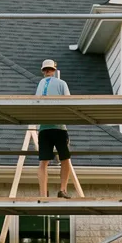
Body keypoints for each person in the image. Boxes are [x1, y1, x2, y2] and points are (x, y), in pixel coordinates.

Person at [35, 59, 76, 198]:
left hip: (44, 128)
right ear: (54, 70)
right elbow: (69, 102)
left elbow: (35, 103)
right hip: (59, 127)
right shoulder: (61, 83)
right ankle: (62, 189)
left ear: (43, 71)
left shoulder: (40, 84)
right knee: (65, 159)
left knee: (43, 162)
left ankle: (42, 194)